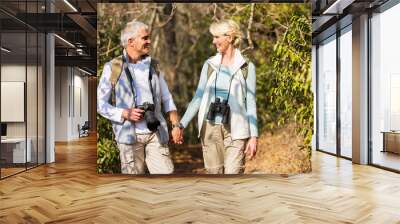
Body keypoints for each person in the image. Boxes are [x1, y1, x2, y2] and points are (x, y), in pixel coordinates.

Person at [97, 20, 182, 174]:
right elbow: (100, 104)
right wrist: (124, 113)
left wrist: (175, 125)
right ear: (131, 42)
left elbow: (167, 98)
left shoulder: (153, 66)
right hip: (129, 138)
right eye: (145, 38)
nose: (149, 41)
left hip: (155, 133)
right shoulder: (113, 67)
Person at [177, 19, 258, 174]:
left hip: (236, 129)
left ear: (229, 37)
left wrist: (254, 136)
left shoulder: (247, 67)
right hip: (210, 127)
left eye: (217, 37)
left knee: (233, 174)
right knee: (214, 176)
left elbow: (251, 102)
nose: (214, 41)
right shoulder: (209, 65)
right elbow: (198, 97)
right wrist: (181, 124)